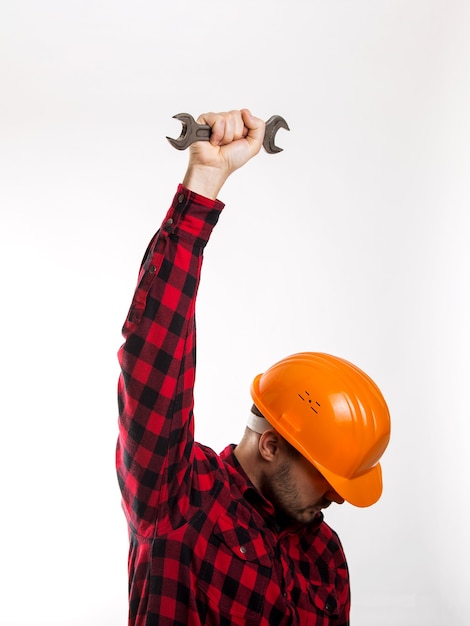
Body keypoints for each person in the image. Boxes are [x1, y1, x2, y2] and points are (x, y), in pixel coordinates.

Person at [116, 109, 391, 626]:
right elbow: (152, 357)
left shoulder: (325, 558)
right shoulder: (176, 500)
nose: (337, 497)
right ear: (271, 443)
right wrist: (203, 187)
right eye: (328, 477)